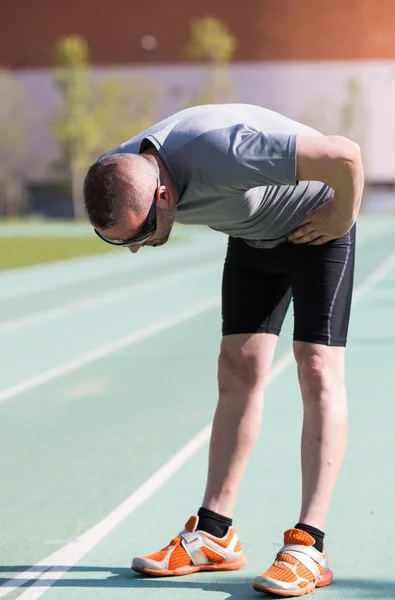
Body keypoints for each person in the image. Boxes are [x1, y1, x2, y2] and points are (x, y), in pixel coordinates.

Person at [83, 103, 364, 597]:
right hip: (252, 237)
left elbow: (345, 155)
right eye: (120, 241)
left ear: (163, 194)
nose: (135, 248)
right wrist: (137, 229)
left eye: (143, 234)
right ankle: (214, 534)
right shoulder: (119, 172)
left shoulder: (227, 150)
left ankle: (309, 546)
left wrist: (339, 218)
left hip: (314, 225)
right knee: (236, 369)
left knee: (317, 367)